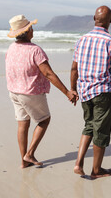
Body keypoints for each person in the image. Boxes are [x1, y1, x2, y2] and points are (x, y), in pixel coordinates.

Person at [6, 15, 78, 168]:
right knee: (44, 120)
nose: (33, 30)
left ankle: (24, 161)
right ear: (27, 31)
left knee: (22, 124)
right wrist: (67, 92)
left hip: (14, 92)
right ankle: (29, 154)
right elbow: (48, 74)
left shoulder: (11, 48)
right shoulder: (35, 50)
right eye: (31, 27)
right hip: (30, 93)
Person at [70, 6, 111, 179]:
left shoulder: (81, 40)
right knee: (101, 132)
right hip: (103, 92)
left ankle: (78, 163)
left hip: (84, 91)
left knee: (89, 126)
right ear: (110, 21)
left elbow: (74, 68)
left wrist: (73, 89)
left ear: (94, 18)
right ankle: (96, 170)